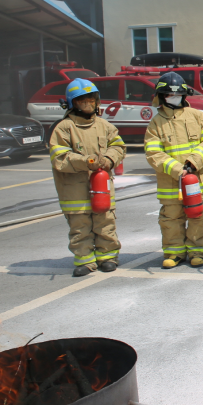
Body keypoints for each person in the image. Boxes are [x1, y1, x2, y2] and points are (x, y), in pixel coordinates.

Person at [49, 79, 127, 277]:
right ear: (72, 103)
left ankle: (107, 257)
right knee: (80, 225)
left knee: (105, 222)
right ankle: (85, 260)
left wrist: (109, 159)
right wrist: (87, 161)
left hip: (101, 186)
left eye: (91, 100)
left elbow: (118, 147)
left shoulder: (105, 126)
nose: (87, 104)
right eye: (82, 101)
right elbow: (60, 157)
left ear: (97, 101)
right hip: (73, 188)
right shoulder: (63, 128)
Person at [144, 72, 203, 269]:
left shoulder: (199, 117)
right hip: (170, 183)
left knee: (198, 217)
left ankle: (198, 252)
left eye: (177, 94)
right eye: (169, 95)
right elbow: (153, 153)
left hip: (198, 181)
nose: (173, 98)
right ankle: (174, 253)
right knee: (171, 219)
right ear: (161, 96)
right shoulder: (155, 123)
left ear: (184, 95)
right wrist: (178, 169)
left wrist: (193, 162)